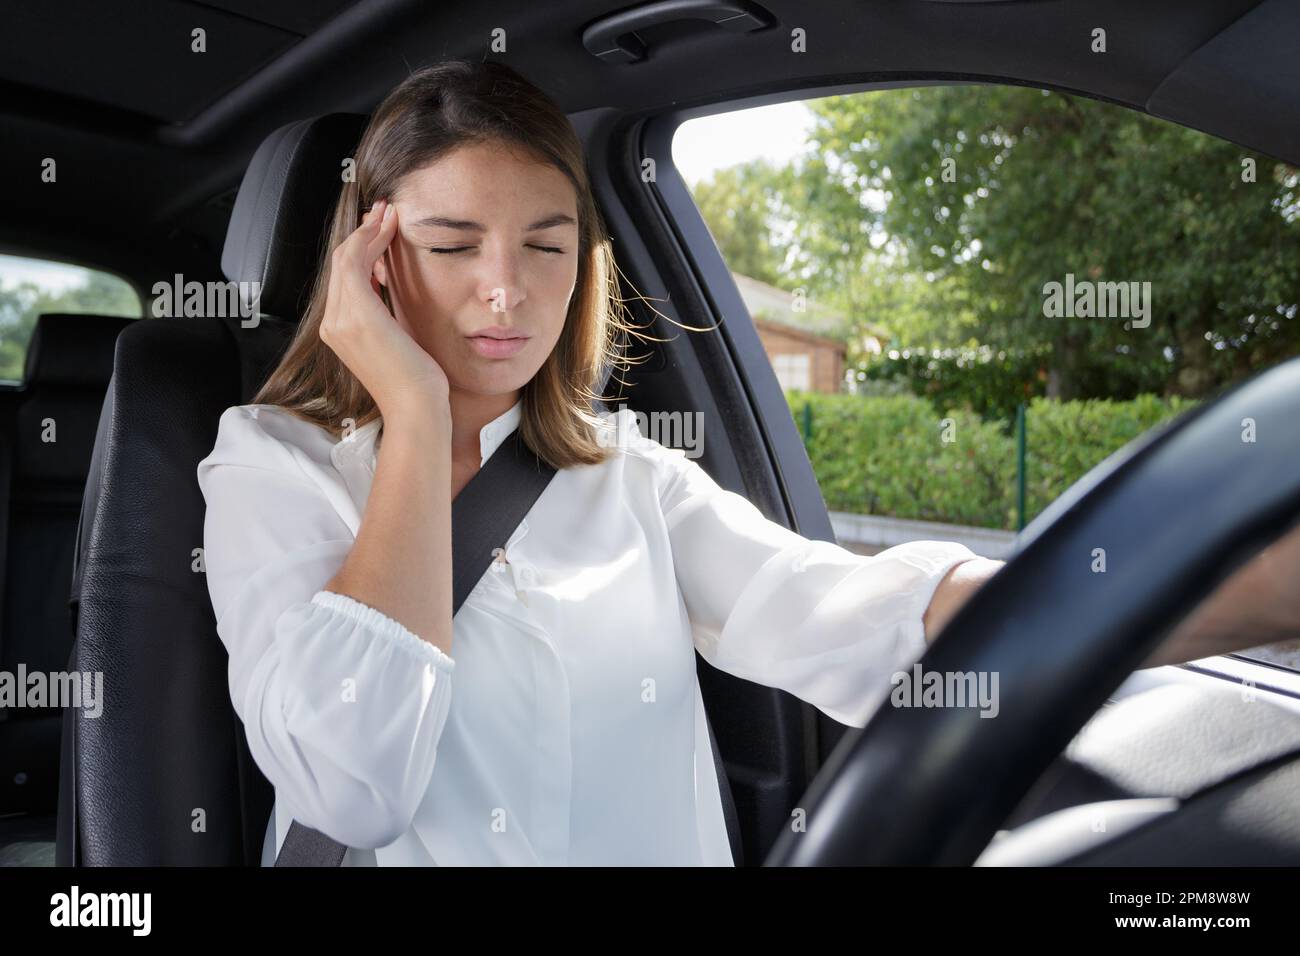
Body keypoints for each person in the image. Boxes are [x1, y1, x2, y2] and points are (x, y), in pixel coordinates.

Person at [197, 60, 1299, 866]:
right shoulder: (272, 467)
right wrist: (418, 410)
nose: (507, 290)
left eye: (545, 245)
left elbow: (859, 612)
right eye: (451, 246)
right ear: (372, 259)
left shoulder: (630, 474)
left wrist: (1235, 587)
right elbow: (351, 778)